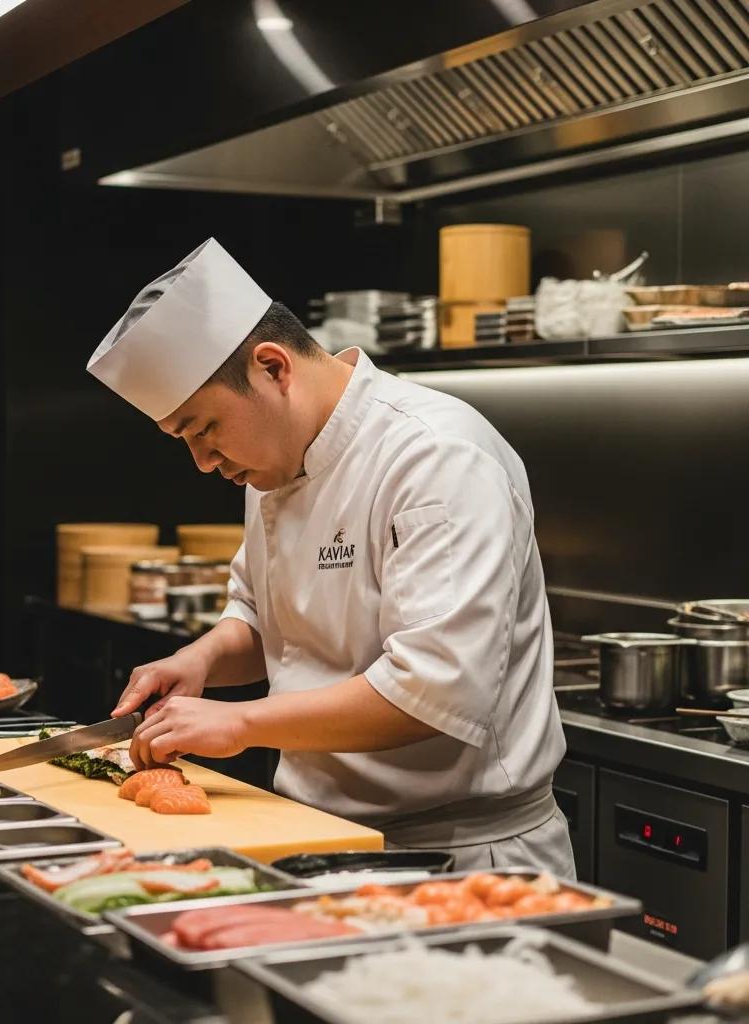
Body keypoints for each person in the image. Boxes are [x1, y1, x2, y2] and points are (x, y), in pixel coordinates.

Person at [87, 238, 575, 875]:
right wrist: (201, 659)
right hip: (314, 836)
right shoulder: (271, 461)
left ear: (272, 368)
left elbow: (434, 689)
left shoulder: (435, 456)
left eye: (204, 429)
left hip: (458, 854)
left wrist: (242, 724)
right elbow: (270, 623)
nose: (203, 462)